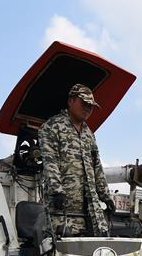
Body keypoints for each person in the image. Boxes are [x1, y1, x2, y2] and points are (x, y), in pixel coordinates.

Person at [38, 84, 116, 236]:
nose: (88, 109)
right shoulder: (52, 127)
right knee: (62, 246)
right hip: (62, 208)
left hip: (90, 209)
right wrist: (56, 191)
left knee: (96, 246)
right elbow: (50, 161)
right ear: (71, 101)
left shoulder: (88, 133)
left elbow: (97, 166)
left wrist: (106, 196)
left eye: (91, 106)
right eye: (84, 103)